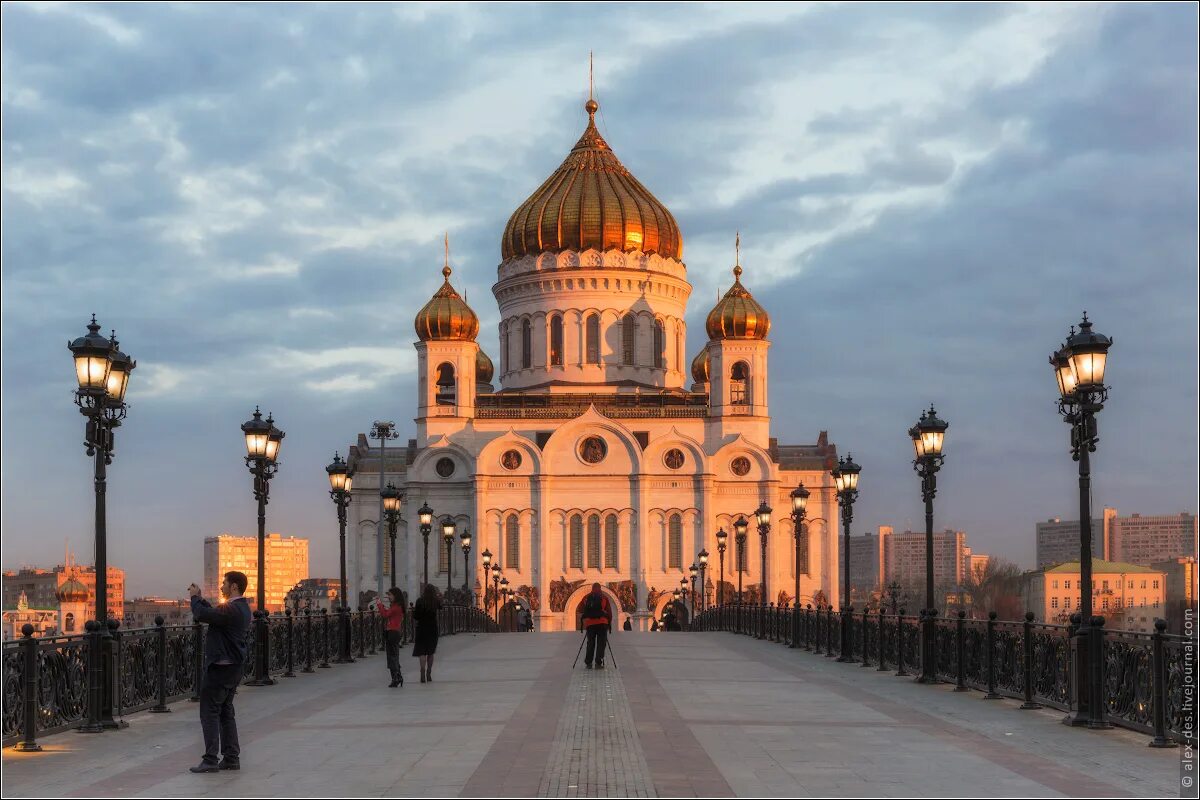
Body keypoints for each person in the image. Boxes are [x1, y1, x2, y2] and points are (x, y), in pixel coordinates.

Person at [188, 572, 252, 774]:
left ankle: (210, 759)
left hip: (221, 668)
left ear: (233, 586)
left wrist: (195, 598)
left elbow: (203, 615)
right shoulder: (240, 607)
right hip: (233, 668)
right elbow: (215, 615)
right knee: (225, 711)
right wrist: (203, 601)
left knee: (209, 712)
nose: (222, 586)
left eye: (224, 583)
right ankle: (231, 757)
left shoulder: (232, 609)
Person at [412, 584, 441, 683]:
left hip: (421, 628)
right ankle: (429, 672)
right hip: (432, 629)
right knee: (430, 652)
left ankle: (422, 671)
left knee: (422, 651)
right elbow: (441, 607)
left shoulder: (420, 601)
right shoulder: (435, 601)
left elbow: (416, 616)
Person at [580, 583, 613, 669]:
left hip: (590, 624)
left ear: (592, 588)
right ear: (600, 588)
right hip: (602, 623)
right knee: (601, 643)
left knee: (590, 643)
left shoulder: (586, 598)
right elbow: (609, 612)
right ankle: (598, 662)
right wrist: (609, 623)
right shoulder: (604, 598)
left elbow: (581, 608)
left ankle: (588, 663)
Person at [378, 587, 406, 687]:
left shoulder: (395, 607)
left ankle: (396, 678)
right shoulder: (397, 606)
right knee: (394, 655)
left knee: (391, 657)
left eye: (390, 595)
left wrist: (379, 604)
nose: (389, 597)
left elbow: (385, 615)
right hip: (395, 632)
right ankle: (398, 676)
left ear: (395, 595)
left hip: (392, 633)